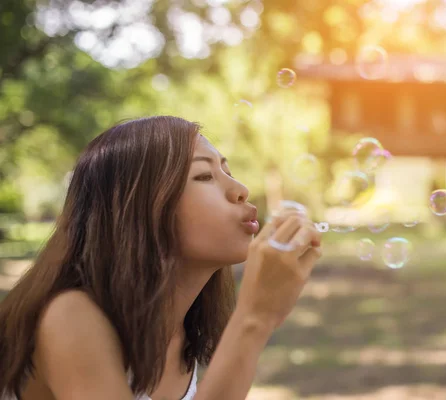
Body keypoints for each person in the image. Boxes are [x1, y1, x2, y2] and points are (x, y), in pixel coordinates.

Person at [0, 116, 322, 400]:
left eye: (228, 171)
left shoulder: (180, 332)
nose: (240, 190)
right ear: (139, 209)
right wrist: (255, 318)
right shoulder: (70, 316)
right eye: (204, 176)